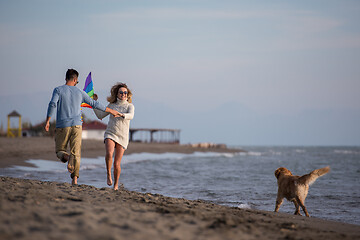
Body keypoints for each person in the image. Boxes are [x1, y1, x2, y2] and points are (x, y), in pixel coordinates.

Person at [44, 69, 120, 185]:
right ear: (75, 79)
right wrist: (111, 111)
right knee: (76, 152)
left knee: (60, 151)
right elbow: (94, 103)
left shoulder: (58, 90)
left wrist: (48, 120)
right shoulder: (80, 92)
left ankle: (66, 156)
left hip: (62, 125)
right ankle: (74, 179)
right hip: (77, 125)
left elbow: (53, 104)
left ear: (66, 78)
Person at [93, 82, 135, 190]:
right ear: (117, 94)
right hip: (110, 133)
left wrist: (121, 114)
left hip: (122, 136)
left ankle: (116, 185)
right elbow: (100, 115)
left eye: (125, 92)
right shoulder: (111, 105)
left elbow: (131, 116)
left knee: (117, 164)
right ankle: (108, 174)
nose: (123, 94)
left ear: (127, 94)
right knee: (109, 153)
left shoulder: (129, 106)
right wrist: (94, 102)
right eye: (121, 92)